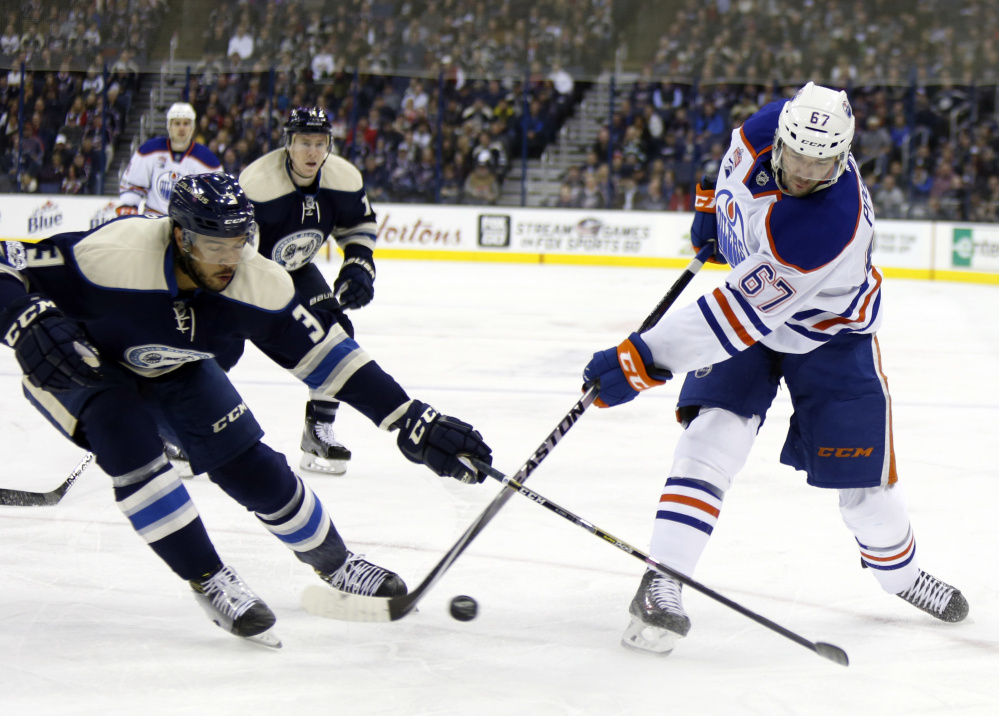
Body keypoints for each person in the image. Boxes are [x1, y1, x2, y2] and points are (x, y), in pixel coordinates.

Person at [0, 173, 493, 647]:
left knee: (251, 466)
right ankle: (208, 578)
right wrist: (22, 319)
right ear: (179, 236)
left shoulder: (260, 282)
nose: (229, 259)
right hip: (79, 363)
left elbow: (328, 358)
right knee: (127, 436)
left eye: (239, 241)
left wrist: (412, 418)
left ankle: (337, 562)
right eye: (215, 245)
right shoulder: (112, 255)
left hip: (175, 369)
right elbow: (6, 261)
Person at [581, 82, 968, 657]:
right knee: (713, 435)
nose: (807, 173)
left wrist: (642, 361)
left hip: (830, 336)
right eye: (798, 157)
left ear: (843, 157)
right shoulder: (764, 127)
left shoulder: (827, 223)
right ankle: (663, 578)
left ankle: (901, 576)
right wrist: (712, 209)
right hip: (757, 314)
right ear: (781, 136)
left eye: (823, 162)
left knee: (866, 490)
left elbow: (730, 319)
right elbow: (728, 166)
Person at [233, 107, 379, 476]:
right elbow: (236, 254)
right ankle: (178, 426)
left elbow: (358, 225)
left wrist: (358, 265)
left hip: (295, 271)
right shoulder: (257, 184)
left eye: (319, 143)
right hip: (245, 276)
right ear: (288, 144)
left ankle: (317, 432)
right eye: (303, 143)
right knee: (218, 346)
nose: (312, 152)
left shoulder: (342, 178)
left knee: (338, 334)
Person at [117, 102, 222, 217]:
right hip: (153, 220)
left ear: (192, 127)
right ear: (169, 126)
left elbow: (216, 198)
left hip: (187, 226)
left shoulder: (207, 160)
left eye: (186, 124)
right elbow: (132, 186)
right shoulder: (149, 150)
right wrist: (130, 207)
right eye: (177, 123)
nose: (181, 128)